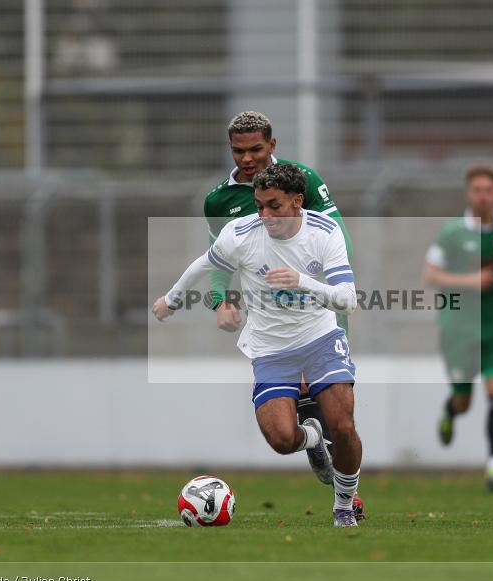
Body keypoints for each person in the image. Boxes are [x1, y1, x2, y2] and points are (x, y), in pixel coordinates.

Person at [154, 163, 364, 527]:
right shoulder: (241, 233)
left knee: (343, 427)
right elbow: (203, 265)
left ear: (298, 201)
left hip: (320, 338)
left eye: (274, 206)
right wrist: (171, 300)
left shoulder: (324, 232)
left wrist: (303, 282)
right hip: (270, 349)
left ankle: (343, 506)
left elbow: (348, 300)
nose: (264, 215)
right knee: (282, 439)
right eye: (259, 205)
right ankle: (313, 439)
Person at [203, 112, 360, 514]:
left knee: (333, 410)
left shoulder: (300, 179)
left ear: (272, 145)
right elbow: (217, 265)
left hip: (317, 309)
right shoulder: (219, 201)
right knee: (294, 418)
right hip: (269, 321)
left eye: (256, 149)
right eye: (239, 151)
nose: (247, 158)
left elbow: (336, 234)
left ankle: (347, 497)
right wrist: (220, 301)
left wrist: (326, 290)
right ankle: (313, 445)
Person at [424, 166, 493, 491]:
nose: (483, 196)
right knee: (464, 402)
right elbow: (431, 275)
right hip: (458, 329)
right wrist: (471, 281)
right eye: (477, 190)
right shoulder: (452, 233)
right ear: (468, 194)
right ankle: (450, 411)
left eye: (489, 190)